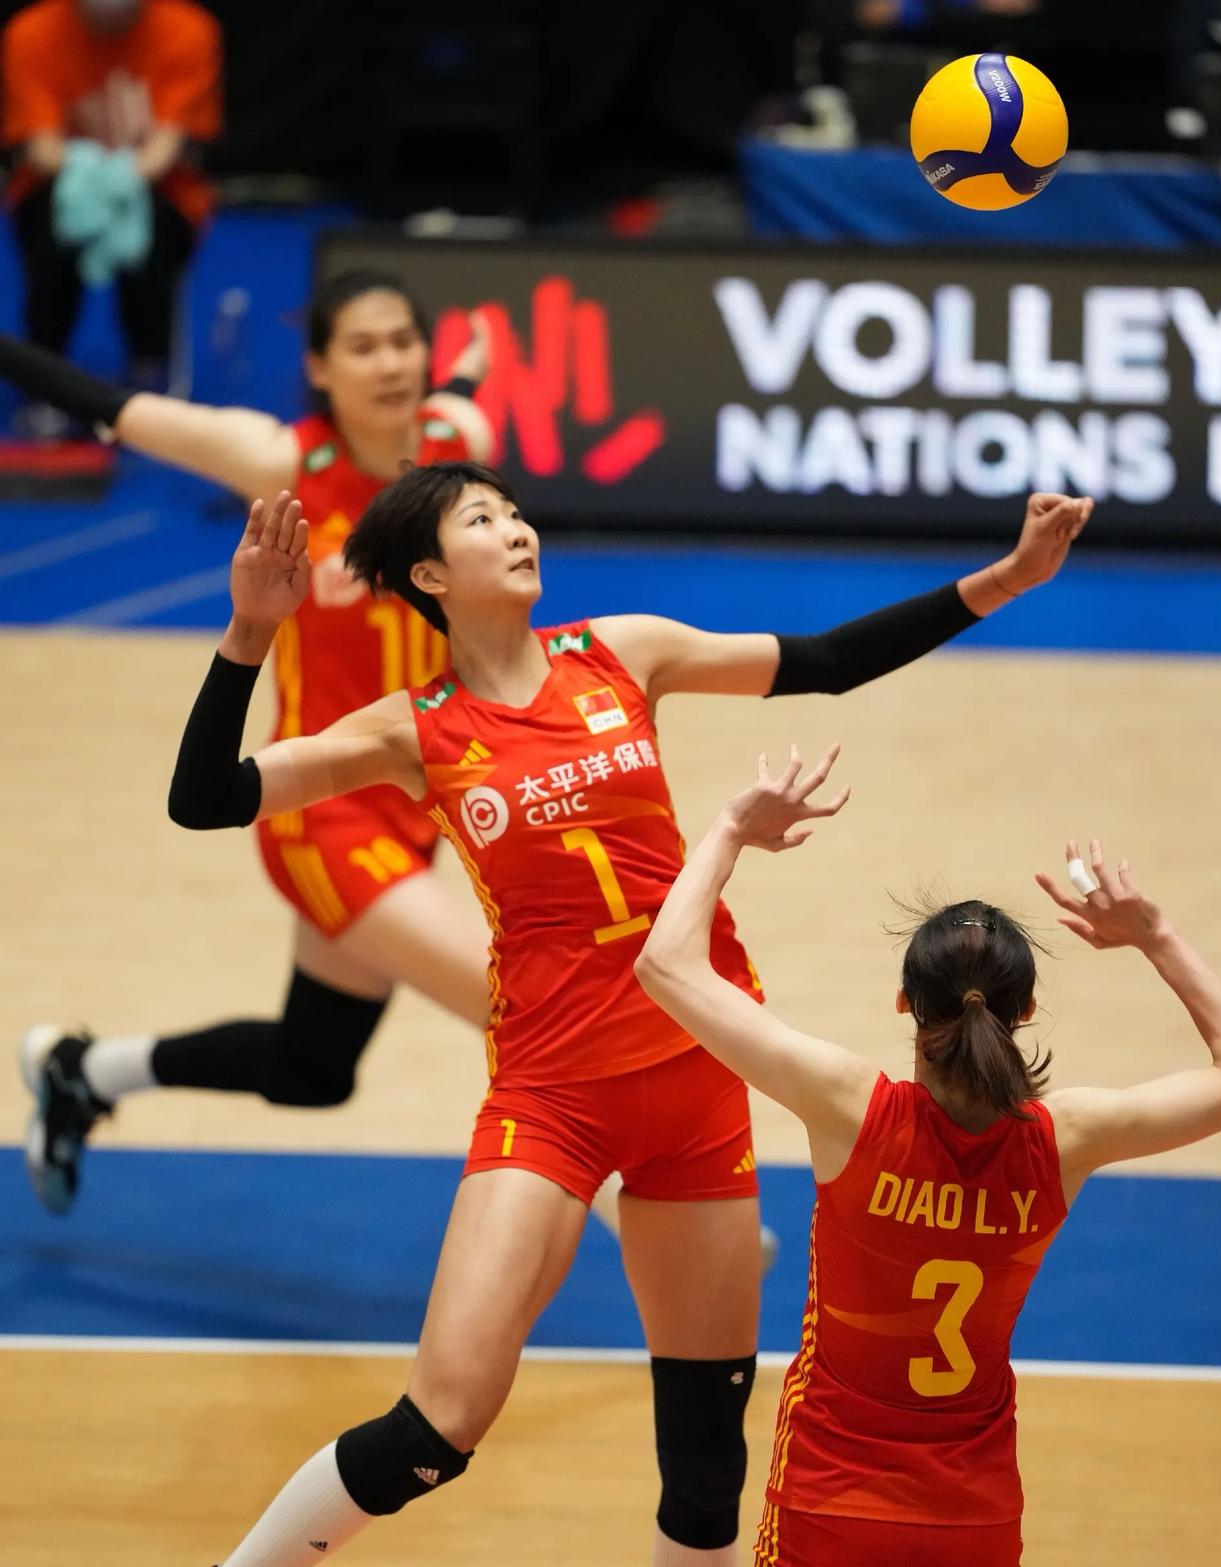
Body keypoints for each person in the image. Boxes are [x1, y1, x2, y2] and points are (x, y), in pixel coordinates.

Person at [163, 465, 1090, 1565]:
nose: (516, 528)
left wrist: (1009, 576)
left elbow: (828, 661)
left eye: (515, 511)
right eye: (481, 520)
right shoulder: (414, 728)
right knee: (436, 1429)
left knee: (705, 1470)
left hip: (695, 1084)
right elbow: (204, 798)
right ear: (429, 575)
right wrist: (249, 634)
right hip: (552, 1097)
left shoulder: (621, 651)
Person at [634, 745, 1221, 1567]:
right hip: (974, 1518)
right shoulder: (1064, 1139)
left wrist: (730, 828)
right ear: (1027, 1009)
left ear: (905, 1002)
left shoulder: (849, 1106)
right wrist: (1156, 936)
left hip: (830, 1501)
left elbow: (664, 963)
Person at [3, 269, 494, 1216]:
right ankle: (651, 1226)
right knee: (521, 1008)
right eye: (362, 346)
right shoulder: (281, 461)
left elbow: (464, 396)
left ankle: (80, 1069)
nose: (388, 363)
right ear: (319, 366)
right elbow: (112, 407)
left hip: (417, 801)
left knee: (314, 1070)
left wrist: (468, 373)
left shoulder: (456, 445)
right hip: (323, 813)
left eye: (403, 341)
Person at [1, 0, 223, 431]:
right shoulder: (30, 32)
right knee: (49, 234)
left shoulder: (189, 30)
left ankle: (148, 368)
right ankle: (44, 380)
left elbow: (165, 150)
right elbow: (43, 149)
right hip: (59, 187)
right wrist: (89, 184)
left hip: (156, 189)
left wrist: (116, 185)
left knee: (152, 236)